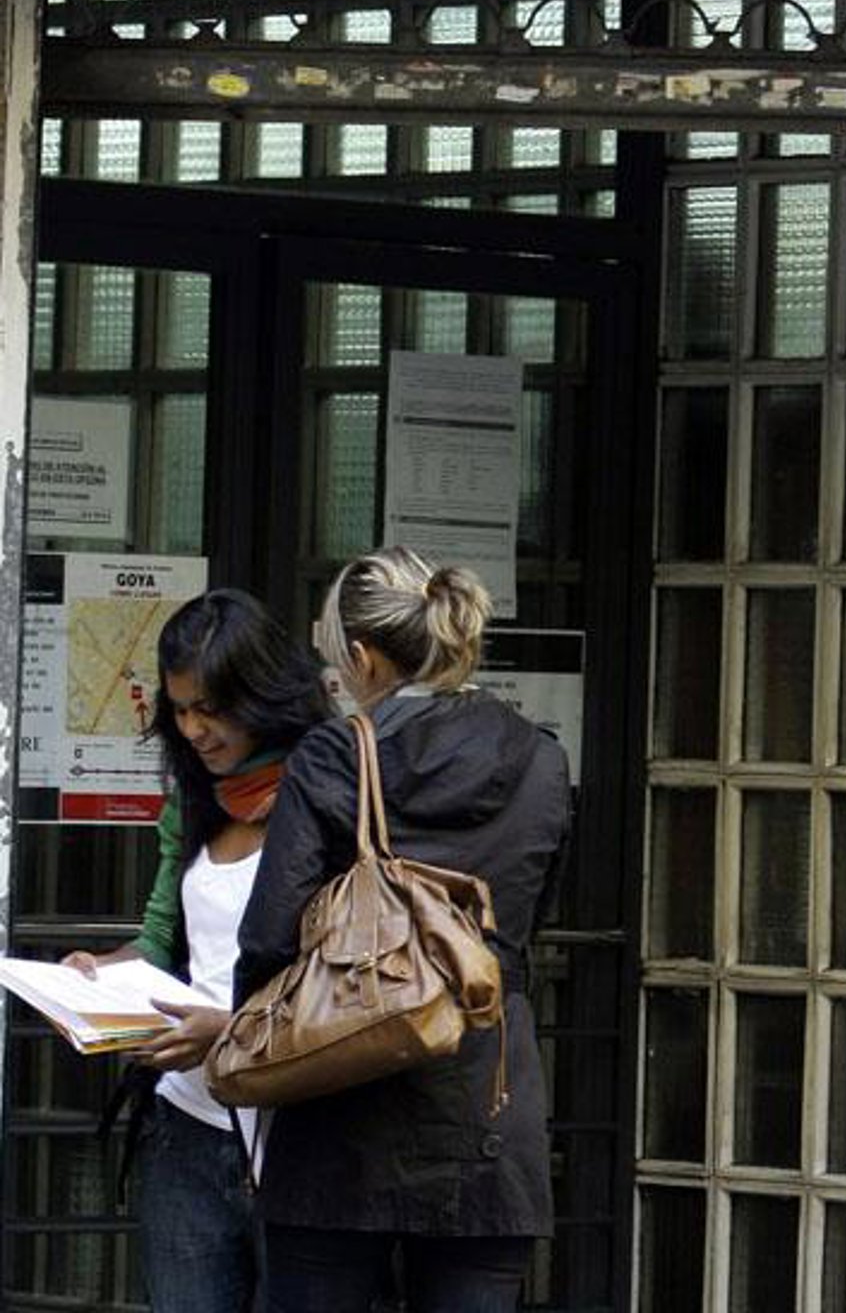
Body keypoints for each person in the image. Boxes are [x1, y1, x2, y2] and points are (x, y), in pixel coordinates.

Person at [234, 546, 571, 1313]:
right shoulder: (543, 762)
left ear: (362, 658)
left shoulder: (332, 758)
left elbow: (270, 941)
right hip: (486, 1111)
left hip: (338, 1112)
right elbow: (522, 928)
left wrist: (246, 1046)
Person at [64, 588, 334, 1313]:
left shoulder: (329, 794)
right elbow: (162, 938)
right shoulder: (194, 797)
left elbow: (345, 981)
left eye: (211, 709)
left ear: (261, 695)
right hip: (186, 1127)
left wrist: (231, 1032)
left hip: (302, 1134)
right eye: (180, 710)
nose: (194, 730)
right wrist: (95, 979)